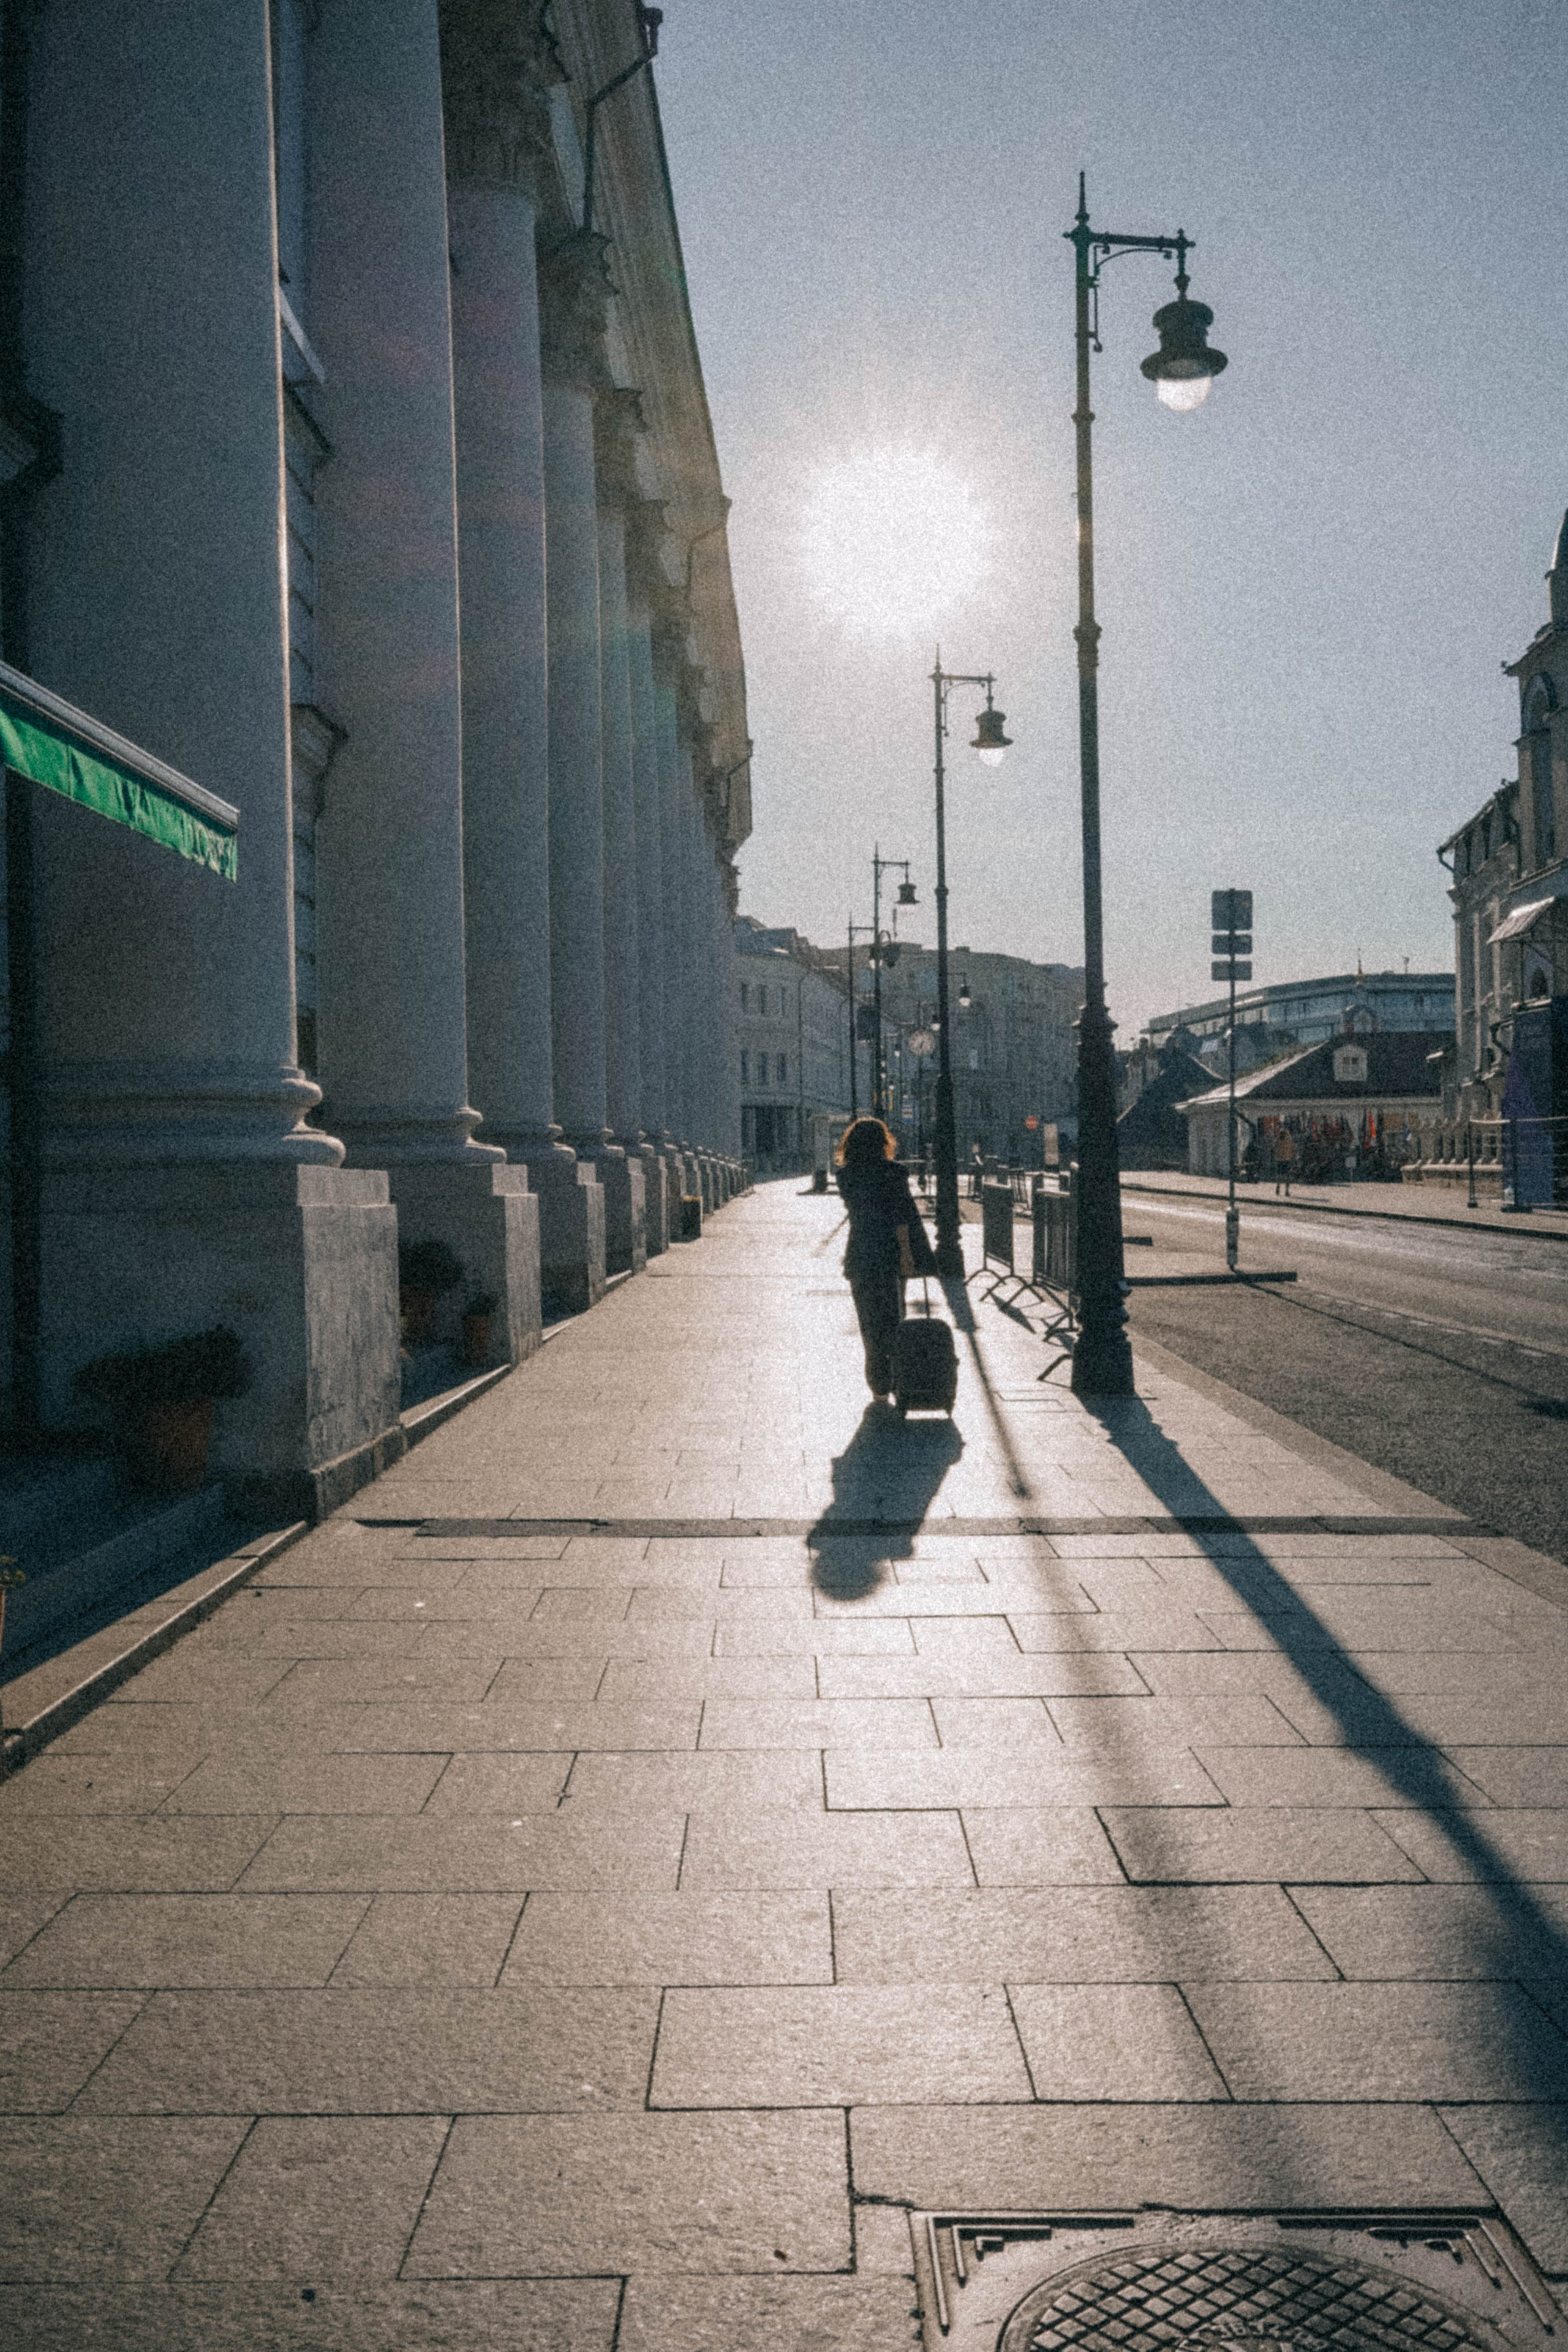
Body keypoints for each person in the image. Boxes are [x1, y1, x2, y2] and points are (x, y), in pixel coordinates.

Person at [837, 1116, 937, 1400]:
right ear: (883, 1143)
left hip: (860, 1254)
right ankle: (895, 1377)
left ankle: (877, 1380)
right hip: (890, 1254)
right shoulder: (893, 1174)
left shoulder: (845, 1176)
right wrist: (907, 1254)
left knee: (868, 1320)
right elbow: (901, 1217)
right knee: (893, 1318)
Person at [1273, 1125, 1295, 1197]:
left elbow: (1274, 1149)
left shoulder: (1277, 1141)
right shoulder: (1289, 1141)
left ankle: (1279, 1186)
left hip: (1280, 1160)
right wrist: (1293, 1158)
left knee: (1280, 1175)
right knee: (1287, 1176)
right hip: (1287, 1160)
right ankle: (1286, 1190)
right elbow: (1293, 1150)